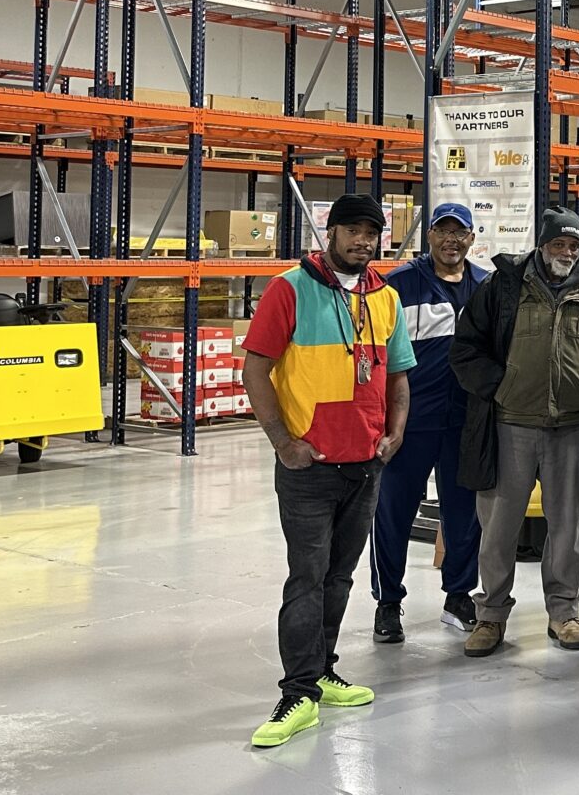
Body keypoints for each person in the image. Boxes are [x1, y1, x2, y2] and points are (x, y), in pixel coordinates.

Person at [241, 193, 417, 748]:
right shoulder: (289, 288)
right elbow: (254, 370)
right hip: (309, 467)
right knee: (307, 578)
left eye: (372, 232)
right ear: (331, 233)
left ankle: (321, 671)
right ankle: (296, 692)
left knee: (339, 577)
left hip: (365, 467)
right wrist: (282, 442)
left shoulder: (385, 297)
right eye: (352, 231)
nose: (363, 241)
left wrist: (396, 432)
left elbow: (397, 375)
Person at [452, 207, 579, 657]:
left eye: (575, 246)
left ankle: (564, 613)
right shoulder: (504, 288)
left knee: (567, 529)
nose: (567, 253)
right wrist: (502, 386)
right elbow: (466, 348)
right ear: (542, 244)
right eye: (559, 244)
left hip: (572, 430)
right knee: (497, 530)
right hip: (510, 426)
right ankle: (490, 617)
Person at [372, 203, 491, 644]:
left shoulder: (485, 287)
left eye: (460, 233)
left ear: (471, 239)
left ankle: (459, 594)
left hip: (465, 423)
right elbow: (377, 353)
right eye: (443, 231)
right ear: (430, 237)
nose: (451, 240)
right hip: (410, 420)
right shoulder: (399, 285)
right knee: (393, 512)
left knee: (465, 514)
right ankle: (388, 601)